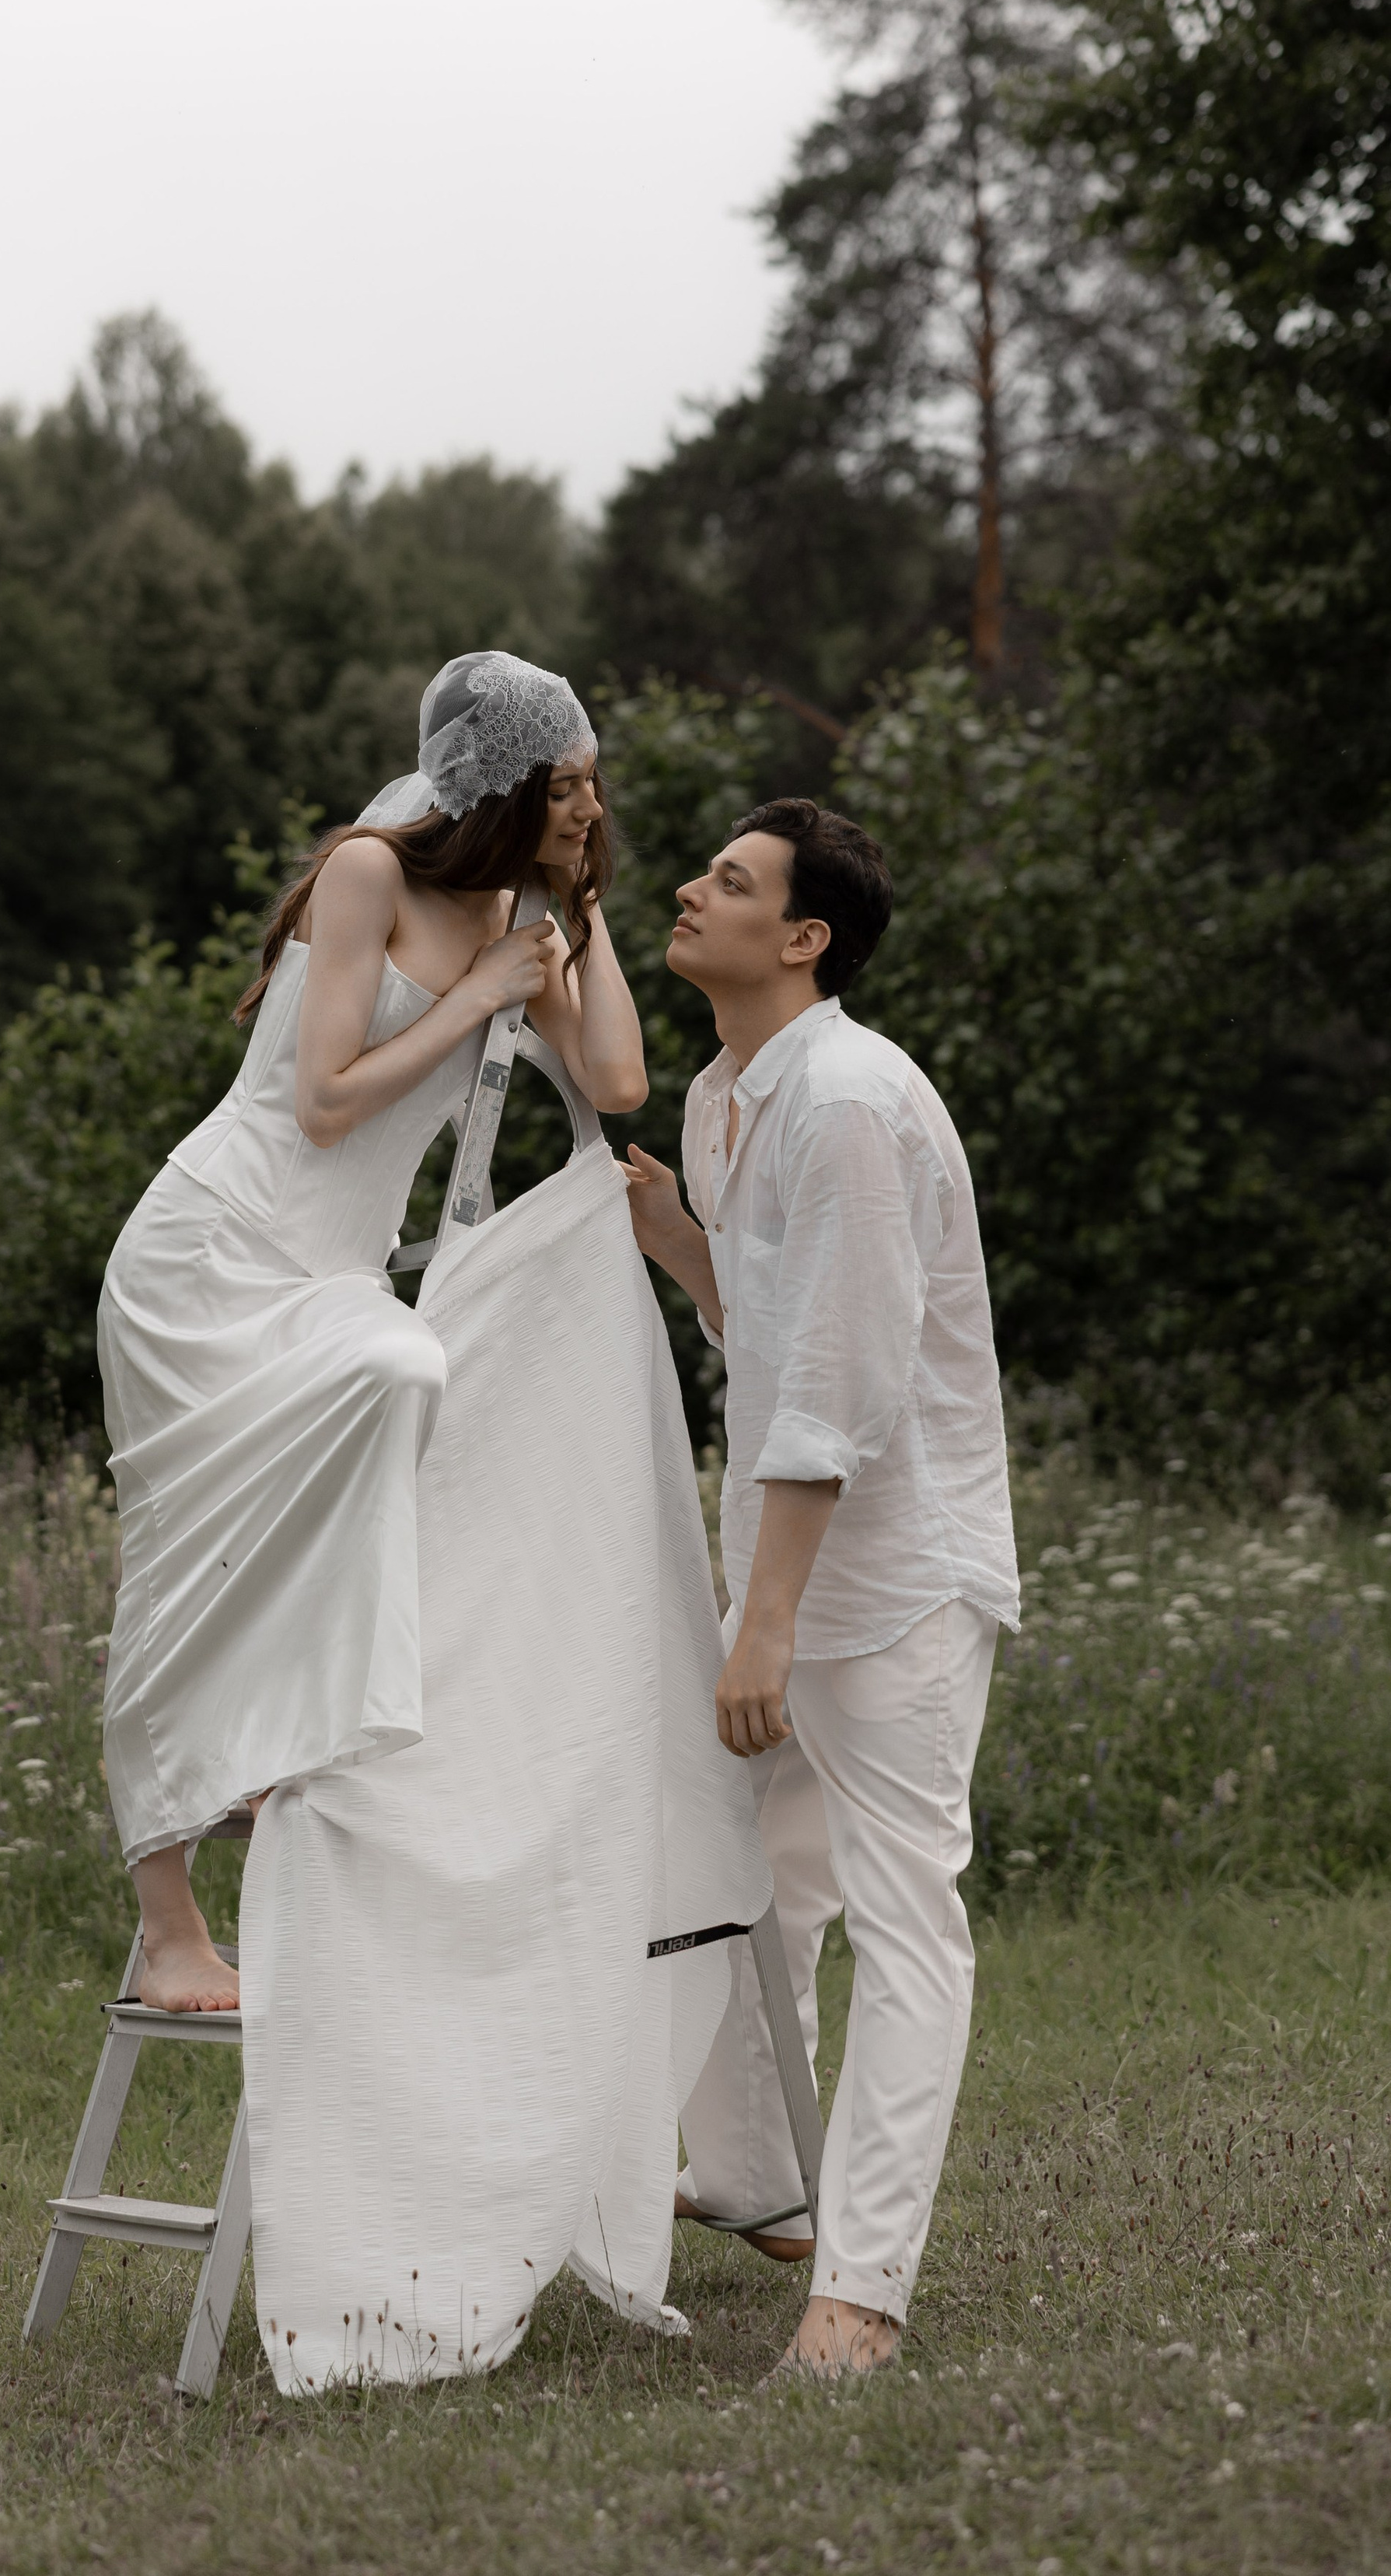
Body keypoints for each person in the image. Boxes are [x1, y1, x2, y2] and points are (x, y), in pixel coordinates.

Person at [98, 652, 647, 2012]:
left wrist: (581, 915)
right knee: (184, 1550)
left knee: (402, 1378)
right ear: (501, 786)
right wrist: (478, 995)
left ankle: (271, 1754)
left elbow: (621, 1080)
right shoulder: (368, 873)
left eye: (590, 787)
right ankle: (172, 1932)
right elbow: (328, 1100)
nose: (589, 806)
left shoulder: (529, 906)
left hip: (334, 1269)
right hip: (213, 1248)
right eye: (566, 788)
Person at [621, 797, 1019, 2379]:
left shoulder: (847, 1097)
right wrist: (683, 1247)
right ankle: (752, 2184)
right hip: (782, 1566)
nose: (687, 888)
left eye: (728, 881)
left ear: (803, 938)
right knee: (754, 1882)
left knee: (902, 1916)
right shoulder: (729, 1093)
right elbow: (773, 1332)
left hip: (893, 1577)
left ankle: (860, 2290)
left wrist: (765, 1618)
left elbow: (841, 1385)